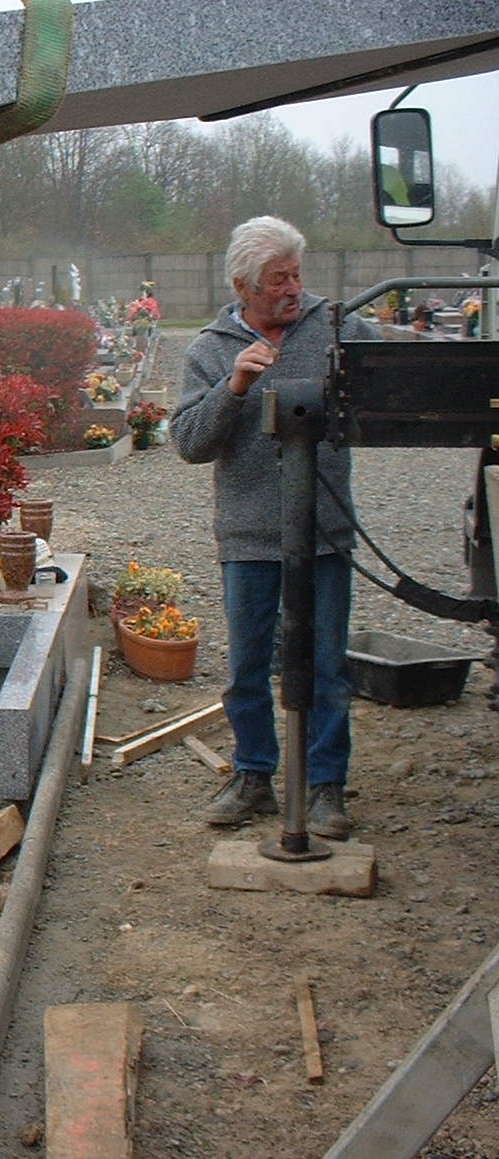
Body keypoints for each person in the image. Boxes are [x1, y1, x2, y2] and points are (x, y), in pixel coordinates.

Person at [171, 215, 379, 838]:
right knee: (246, 667)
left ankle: (323, 786)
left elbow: (385, 387)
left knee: (324, 665)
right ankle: (254, 774)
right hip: (250, 537)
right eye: (277, 280)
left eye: (296, 275)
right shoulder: (210, 349)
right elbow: (187, 442)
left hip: (323, 531)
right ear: (243, 287)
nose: (293, 289)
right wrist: (234, 386)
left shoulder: (335, 327)